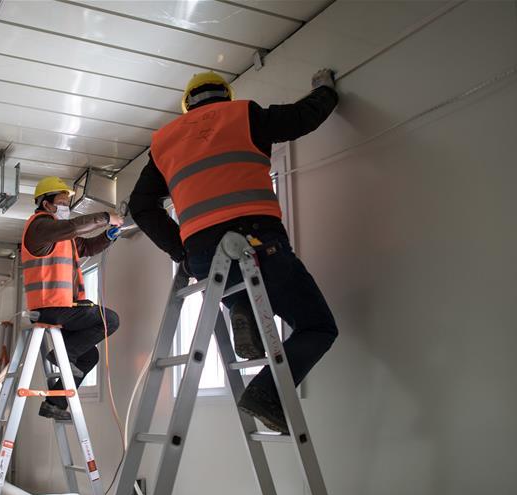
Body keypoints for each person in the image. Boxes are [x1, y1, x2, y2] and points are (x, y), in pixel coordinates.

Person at [128, 69, 340, 434]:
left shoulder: (165, 141)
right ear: (224, 95)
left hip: (203, 256)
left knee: (234, 281)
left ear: (186, 105)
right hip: (259, 242)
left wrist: (179, 247)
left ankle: (240, 308)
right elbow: (302, 117)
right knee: (318, 327)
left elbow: (140, 205)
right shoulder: (244, 114)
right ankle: (264, 392)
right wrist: (325, 91)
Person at [21, 176, 124, 421]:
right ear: (46, 204)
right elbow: (74, 227)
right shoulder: (41, 227)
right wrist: (106, 217)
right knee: (110, 319)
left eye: (68, 201)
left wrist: (108, 236)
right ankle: (62, 355)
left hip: (62, 307)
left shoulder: (60, 233)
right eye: (62, 201)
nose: (67, 205)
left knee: (89, 355)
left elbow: (85, 247)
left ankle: (54, 404)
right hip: (50, 306)